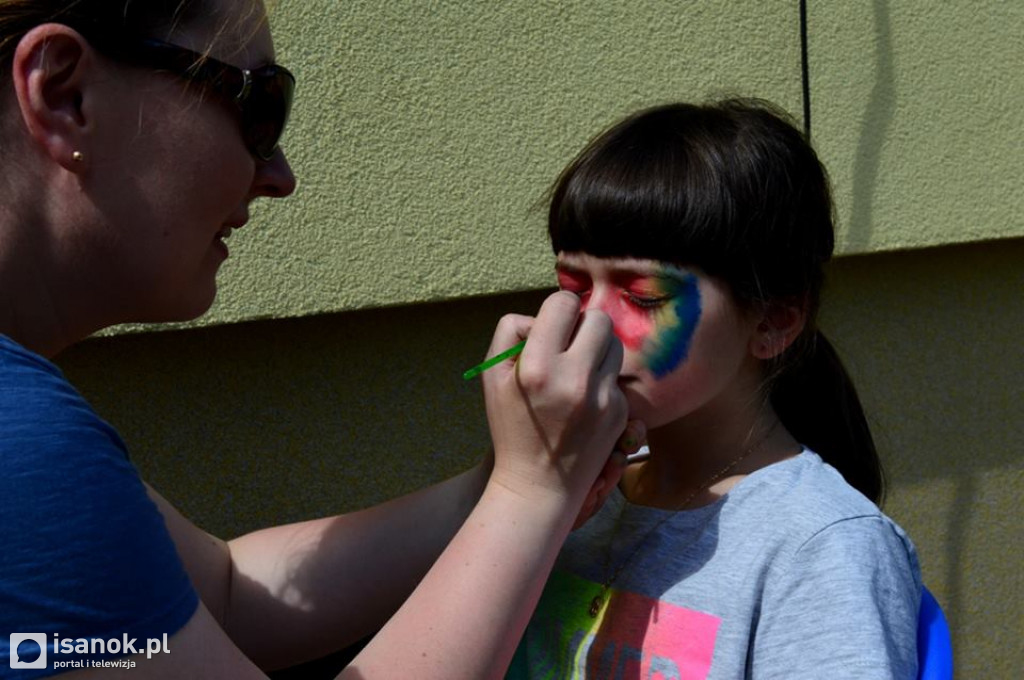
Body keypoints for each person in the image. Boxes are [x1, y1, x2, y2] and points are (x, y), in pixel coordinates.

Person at [0, 2, 642, 678]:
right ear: (65, 95)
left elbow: (226, 593)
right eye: (259, 108)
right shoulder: (21, 445)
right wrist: (532, 492)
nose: (281, 176)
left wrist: (497, 484)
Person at [506, 99, 923, 679]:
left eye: (644, 297)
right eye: (573, 287)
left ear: (772, 321)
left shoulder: (823, 547)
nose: (590, 326)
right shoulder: (576, 493)